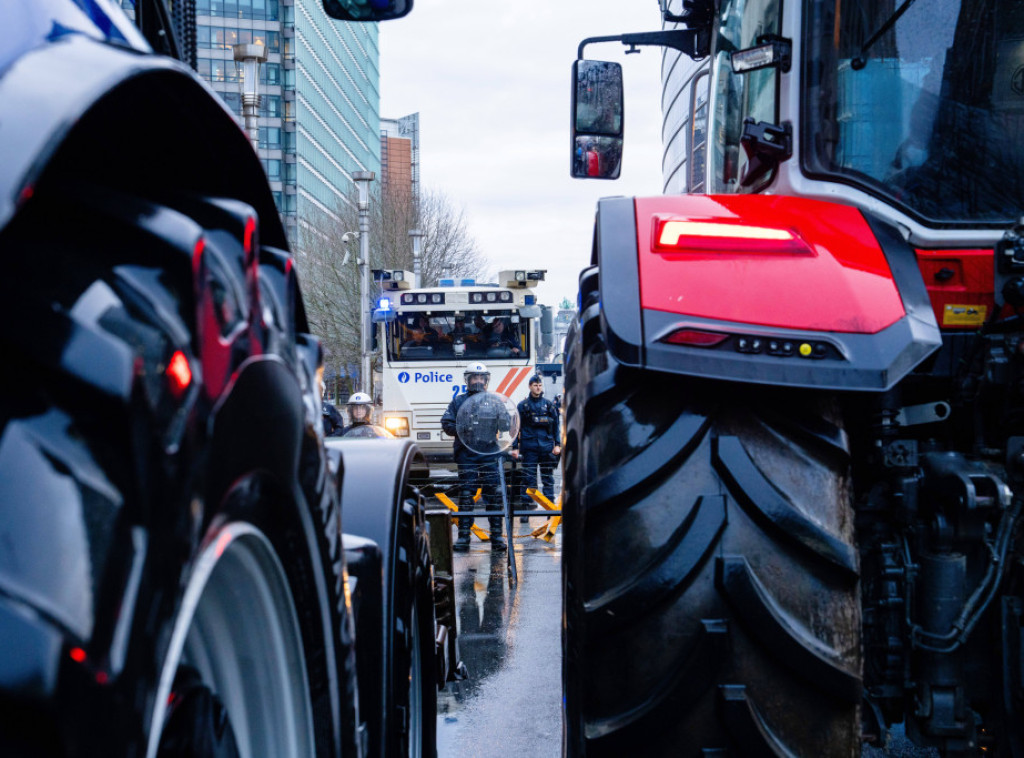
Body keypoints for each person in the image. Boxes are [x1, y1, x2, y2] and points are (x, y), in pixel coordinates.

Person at [440, 363, 507, 552]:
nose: (478, 381)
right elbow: (446, 423)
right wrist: (464, 428)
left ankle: (496, 537)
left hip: (489, 452)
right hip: (466, 453)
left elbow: (506, 425)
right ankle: (463, 537)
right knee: (466, 495)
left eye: (481, 378)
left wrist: (503, 419)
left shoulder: (494, 401)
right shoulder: (458, 401)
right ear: (468, 380)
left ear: (486, 380)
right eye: (474, 378)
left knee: (494, 494)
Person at [511, 376, 560, 521]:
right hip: (529, 448)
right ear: (530, 386)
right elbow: (515, 427)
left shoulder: (549, 405)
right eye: (535, 385)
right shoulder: (523, 406)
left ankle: (550, 510)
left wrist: (557, 445)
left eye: (539, 385)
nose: (538, 388)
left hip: (546, 448)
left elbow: (556, 426)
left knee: (548, 480)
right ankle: (525, 510)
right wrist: (515, 447)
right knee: (528, 479)